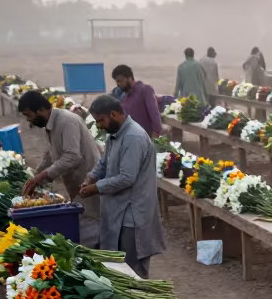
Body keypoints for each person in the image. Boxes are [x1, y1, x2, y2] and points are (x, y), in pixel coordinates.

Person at [80, 95, 166, 279]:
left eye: (101, 120)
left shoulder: (133, 137)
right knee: (119, 267)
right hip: (118, 208)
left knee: (133, 270)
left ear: (114, 114)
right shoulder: (114, 134)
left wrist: (96, 188)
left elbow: (127, 178)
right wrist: (92, 177)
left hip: (133, 212)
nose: (100, 126)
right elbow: (104, 161)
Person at [17, 91, 102, 245]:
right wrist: (35, 176)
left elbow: (72, 156)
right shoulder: (51, 124)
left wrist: (43, 176)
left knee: (92, 229)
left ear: (41, 109)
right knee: (86, 225)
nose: (29, 121)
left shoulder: (65, 121)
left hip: (89, 181)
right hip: (78, 184)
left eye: (29, 115)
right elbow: (51, 154)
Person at [111, 64, 163, 138]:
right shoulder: (126, 96)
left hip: (146, 138)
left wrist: (157, 132)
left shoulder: (145, 90)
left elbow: (154, 113)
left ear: (129, 78)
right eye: (117, 82)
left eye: (120, 81)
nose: (118, 84)